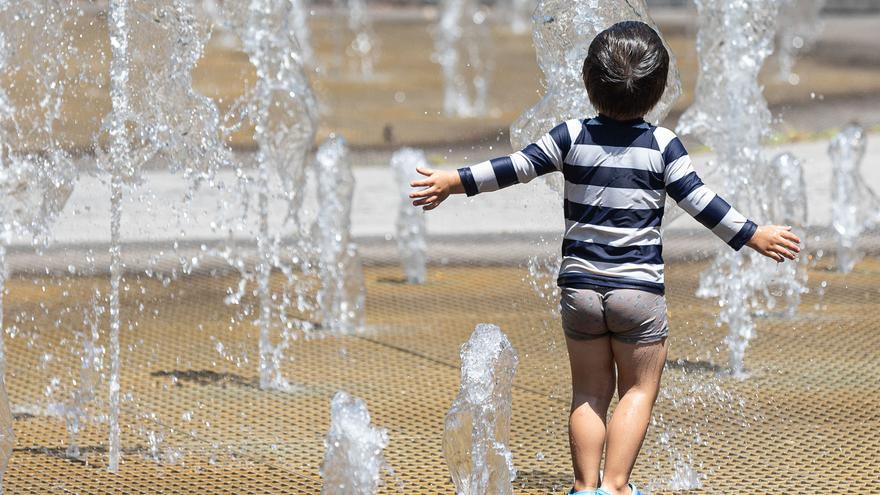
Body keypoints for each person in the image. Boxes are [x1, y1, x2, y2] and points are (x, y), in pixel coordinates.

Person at [409, 20, 800, 495]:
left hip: (581, 292)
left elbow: (515, 168)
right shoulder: (662, 146)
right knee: (637, 390)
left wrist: (455, 181)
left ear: (588, 84)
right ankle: (615, 487)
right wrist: (753, 234)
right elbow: (700, 201)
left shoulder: (570, 135)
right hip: (638, 294)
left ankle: (583, 485)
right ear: (656, 92)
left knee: (589, 392)